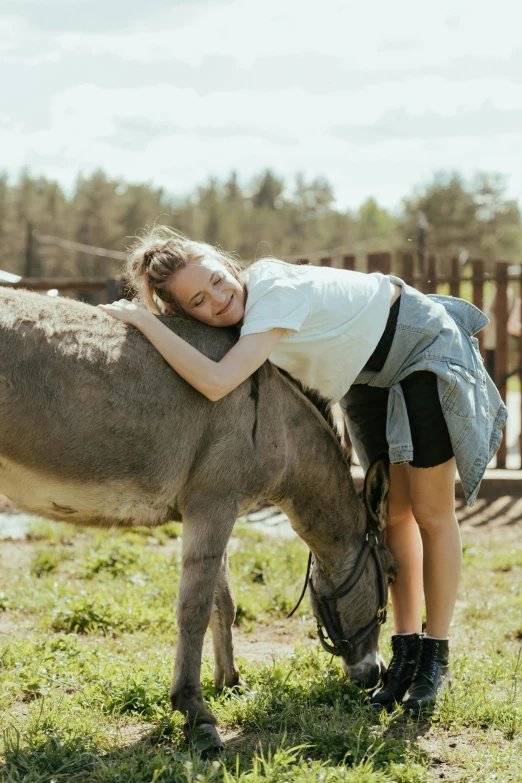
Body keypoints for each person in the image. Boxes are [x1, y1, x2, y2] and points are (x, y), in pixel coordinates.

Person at [99, 226, 507, 712]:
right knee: (390, 514)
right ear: (185, 313)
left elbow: (217, 381)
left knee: (428, 509)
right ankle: (405, 653)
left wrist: (147, 324)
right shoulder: (240, 317)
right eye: (199, 302)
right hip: (365, 373)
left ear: (225, 263)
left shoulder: (271, 291)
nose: (218, 299)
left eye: (216, 280)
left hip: (421, 346)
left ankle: (434, 660)